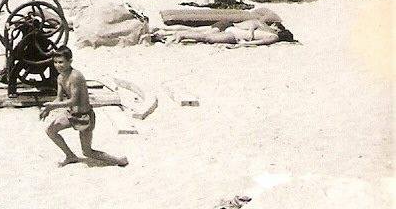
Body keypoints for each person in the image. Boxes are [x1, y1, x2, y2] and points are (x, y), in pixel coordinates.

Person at [39, 47, 128, 168]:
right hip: (71, 114)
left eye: (61, 62)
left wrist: (52, 106)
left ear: (70, 61)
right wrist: (47, 108)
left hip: (85, 117)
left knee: (87, 152)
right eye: (55, 62)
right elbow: (59, 99)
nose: (58, 65)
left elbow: (74, 101)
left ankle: (119, 160)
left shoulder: (76, 76)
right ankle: (70, 156)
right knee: (51, 131)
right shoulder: (60, 77)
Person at [160, 20, 294, 47]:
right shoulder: (274, 37)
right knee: (208, 38)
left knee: (205, 35)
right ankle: (182, 35)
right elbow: (261, 42)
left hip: (234, 31)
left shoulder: (265, 29)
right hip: (235, 35)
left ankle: (180, 34)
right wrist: (244, 44)